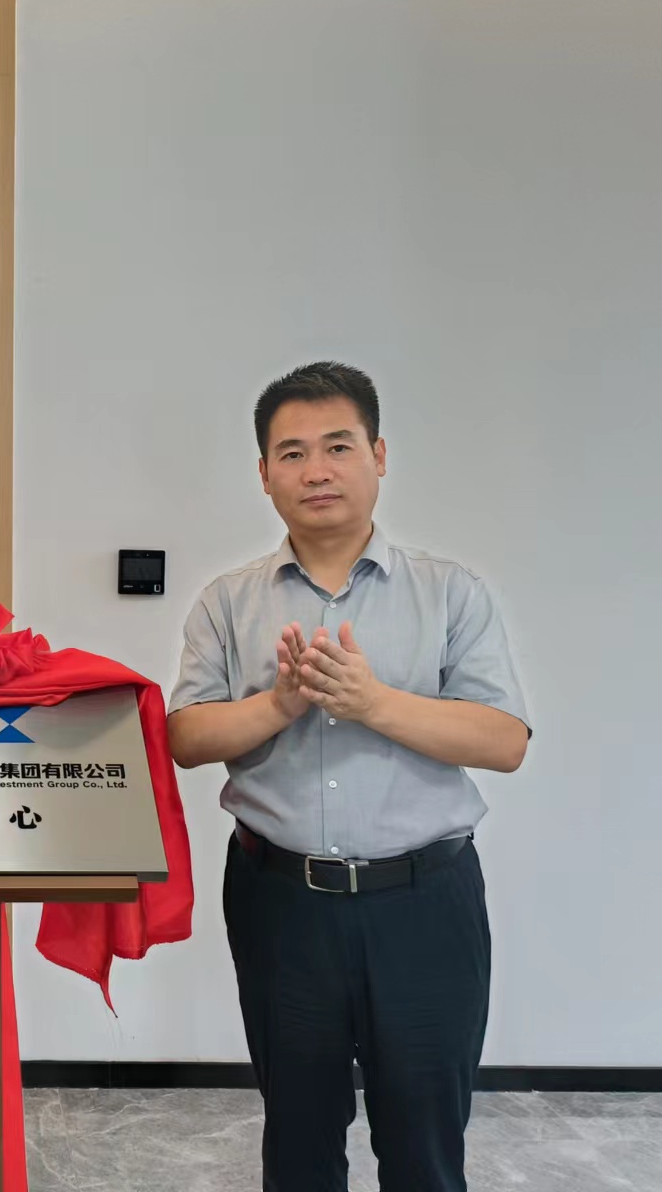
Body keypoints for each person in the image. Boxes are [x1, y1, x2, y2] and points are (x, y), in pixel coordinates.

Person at [166, 361, 530, 1192]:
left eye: (338, 446)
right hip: (281, 903)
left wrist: (372, 703)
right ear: (265, 474)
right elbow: (186, 735)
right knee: (298, 1141)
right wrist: (279, 704)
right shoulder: (227, 602)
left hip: (425, 904)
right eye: (292, 453)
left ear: (379, 456)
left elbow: (505, 740)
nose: (316, 470)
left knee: (425, 1145)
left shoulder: (450, 593)